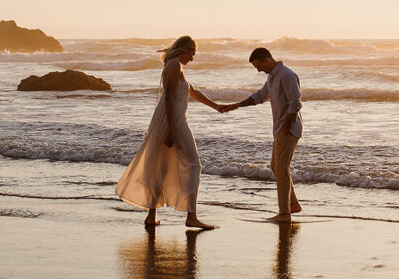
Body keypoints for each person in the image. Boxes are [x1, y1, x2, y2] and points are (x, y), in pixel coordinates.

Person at [116, 35, 221, 229]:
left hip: (171, 120)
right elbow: (169, 99)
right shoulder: (173, 65)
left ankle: (151, 215)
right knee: (194, 165)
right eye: (192, 53)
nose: (193, 58)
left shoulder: (176, 66)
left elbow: (193, 92)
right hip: (173, 121)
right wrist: (172, 130)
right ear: (184, 50)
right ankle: (191, 216)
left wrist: (218, 107)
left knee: (162, 167)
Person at [221, 48, 303, 222]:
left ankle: (284, 214)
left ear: (267, 59)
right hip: (281, 128)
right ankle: (293, 204)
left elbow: (295, 103)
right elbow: (259, 96)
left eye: (258, 66)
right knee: (276, 166)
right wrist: (236, 105)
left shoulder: (286, 75)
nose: (258, 70)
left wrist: (286, 127)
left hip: (289, 128)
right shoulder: (272, 77)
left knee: (281, 168)